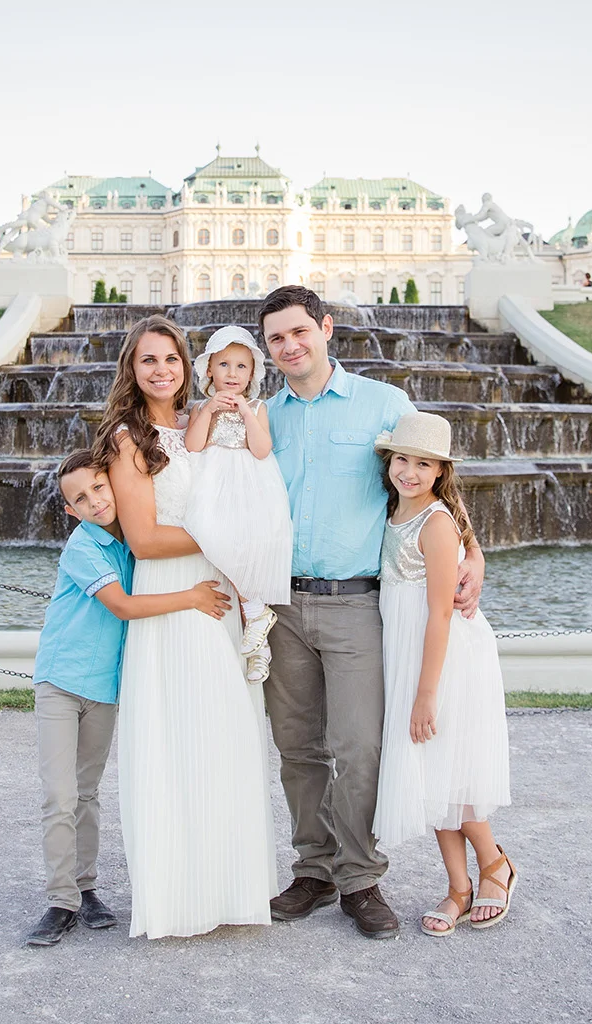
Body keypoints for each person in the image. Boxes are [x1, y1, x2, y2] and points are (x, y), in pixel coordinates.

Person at [257, 285, 486, 940]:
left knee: (359, 747)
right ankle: (314, 869)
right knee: (298, 748)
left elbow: (435, 479)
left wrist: (475, 551)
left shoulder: (383, 404)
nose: (290, 345)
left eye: (300, 331)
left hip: (358, 603)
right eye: (276, 338)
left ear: (326, 329)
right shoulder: (263, 418)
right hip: (280, 604)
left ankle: (361, 877)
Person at [92, 314, 277, 940]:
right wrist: (229, 541)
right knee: (179, 735)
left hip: (218, 588)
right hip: (176, 593)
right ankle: (179, 899)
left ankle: (227, 887)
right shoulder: (127, 438)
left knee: (227, 733)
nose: (161, 370)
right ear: (132, 368)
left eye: (171, 359)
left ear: (187, 365)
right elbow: (142, 539)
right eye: (148, 360)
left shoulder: (208, 422)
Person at [23, 449, 235, 948]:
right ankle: (60, 900)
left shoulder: (129, 545)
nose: (94, 501)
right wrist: (192, 597)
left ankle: (86, 887)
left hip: (103, 686)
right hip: (61, 682)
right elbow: (120, 606)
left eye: (99, 488)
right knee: (60, 795)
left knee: (88, 791)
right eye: (80, 498)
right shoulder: (82, 547)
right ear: (70, 511)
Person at [370, 412, 513, 937]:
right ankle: (458, 886)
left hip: (442, 658)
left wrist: (425, 692)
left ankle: (494, 864)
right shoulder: (394, 509)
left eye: (422, 463)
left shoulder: (435, 522)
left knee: (451, 771)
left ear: (439, 472)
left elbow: (440, 614)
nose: (409, 471)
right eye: (402, 459)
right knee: (434, 775)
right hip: (408, 651)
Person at [183, 325, 293, 683]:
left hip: (247, 489)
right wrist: (209, 412)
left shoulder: (258, 407)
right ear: (209, 370)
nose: (232, 374)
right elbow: (194, 446)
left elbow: (262, 449)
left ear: (252, 374)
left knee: (243, 550)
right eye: (224, 365)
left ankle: (257, 634)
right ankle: (256, 616)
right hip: (211, 486)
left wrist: (246, 413)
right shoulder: (202, 406)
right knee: (214, 541)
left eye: (241, 367)